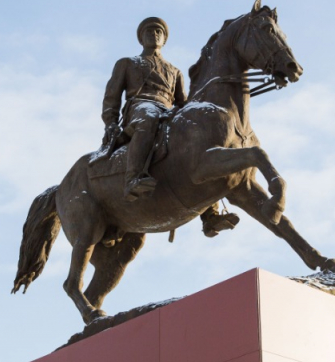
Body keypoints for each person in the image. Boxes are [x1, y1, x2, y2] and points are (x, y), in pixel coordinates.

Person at [101, 17, 239, 236]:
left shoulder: (174, 71)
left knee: (198, 138)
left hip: (167, 111)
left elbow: (181, 101)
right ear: (141, 38)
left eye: (158, 32)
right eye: (149, 31)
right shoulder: (127, 63)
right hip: (140, 108)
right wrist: (110, 122)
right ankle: (133, 178)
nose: (154, 34)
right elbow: (112, 96)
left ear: (164, 39)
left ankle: (210, 215)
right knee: (149, 117)